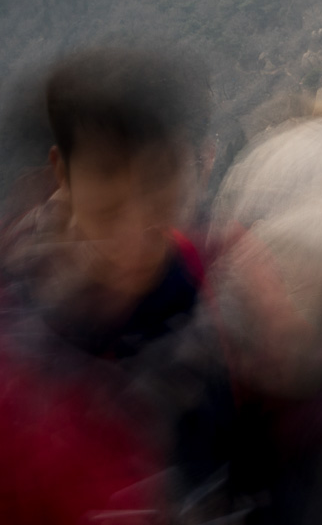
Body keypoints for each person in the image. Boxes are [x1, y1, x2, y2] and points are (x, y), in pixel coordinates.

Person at [0, 46, 214, 523]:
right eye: (107, 173)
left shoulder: (199, 272)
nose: (136, 217)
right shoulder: (17, 339)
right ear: (62, 173)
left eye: (158, 175)